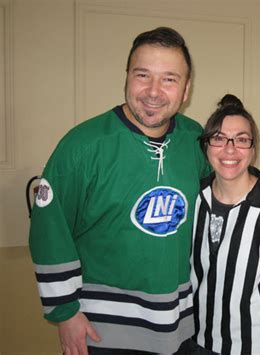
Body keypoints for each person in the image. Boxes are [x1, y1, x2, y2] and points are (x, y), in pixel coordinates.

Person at [29, 27, 210, 354]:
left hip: (181, 324)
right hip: (104, 331)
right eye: (143, 75)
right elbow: (49, 230)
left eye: (169, 79)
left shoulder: (195, 140)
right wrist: (66, 313)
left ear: (186, 90)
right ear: (127, 77)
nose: (153, 91)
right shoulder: (82, 146)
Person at [189, 94, 260, 355]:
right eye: (219, 138)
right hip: (196, 344)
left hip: (255, 348)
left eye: (242, 140)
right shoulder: (195, 199)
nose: (230, 149)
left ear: (253, 150)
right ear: (206, 145)